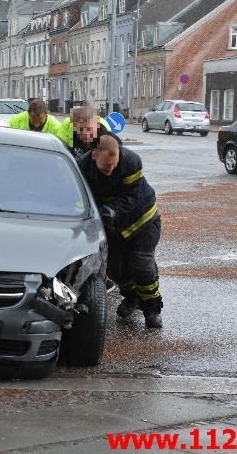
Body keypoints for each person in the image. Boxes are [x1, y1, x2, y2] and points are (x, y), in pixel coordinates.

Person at [77, 135, 163, 329]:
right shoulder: (81, 168)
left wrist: (111, 210)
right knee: (116, 268)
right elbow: (78, 196)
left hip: (143, 221)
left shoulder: (131, 162)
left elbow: (133, 196)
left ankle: (152, 310)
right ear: (94, 155)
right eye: (106, 166)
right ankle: (132, 297)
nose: (111, 170)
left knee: (142, 264)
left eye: (114, 165)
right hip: (113, 227)